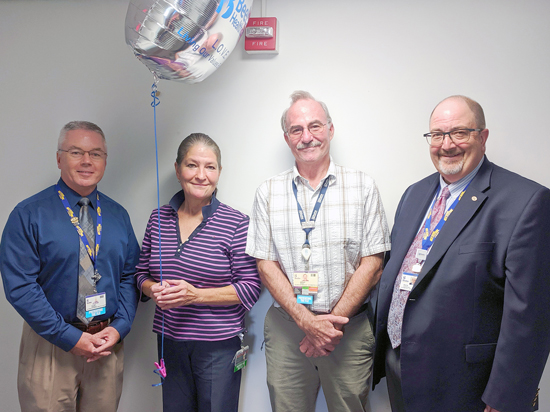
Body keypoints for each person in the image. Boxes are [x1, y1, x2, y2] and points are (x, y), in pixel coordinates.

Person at [373, 95, 550, 412]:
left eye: (459, 132)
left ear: (482, 136)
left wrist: (505, 397)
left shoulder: (526, 201)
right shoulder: (414, 194)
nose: (447, 144)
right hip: (403, 368)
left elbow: (531, 315)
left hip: (467, 385)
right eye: (437, 135)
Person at [246, 90, 391, 412]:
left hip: (349, 330)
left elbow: (373, 263)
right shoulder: (268, 192)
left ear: (330, 129)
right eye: (297, 130)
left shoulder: (362, 186)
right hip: (287, 328)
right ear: (287, 138)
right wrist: (306, 322)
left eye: (315, 126)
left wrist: (328, 326)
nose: (307, 137)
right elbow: (265, 265)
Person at [0, 121, 140, 412]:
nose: (87, 161)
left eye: (96, 153)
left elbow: (130, 276)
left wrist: (120, 328)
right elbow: (21, 287)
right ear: (59, 158)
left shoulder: (118, 215)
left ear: (105, 160)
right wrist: (69, 337)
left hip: (106, 343)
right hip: (51, 345)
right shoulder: (28, 214)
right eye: (76, 152)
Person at [135, 133, 261, 412]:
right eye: (192, 165)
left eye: (210, 167)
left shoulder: (237, 223)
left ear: (219, 173)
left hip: (218, 345)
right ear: (178, 169)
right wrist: (151, 289)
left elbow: (251, 287)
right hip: (170, 340)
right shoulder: (158, 218)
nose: (201, 175)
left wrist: (196, 295)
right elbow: (140, 273)